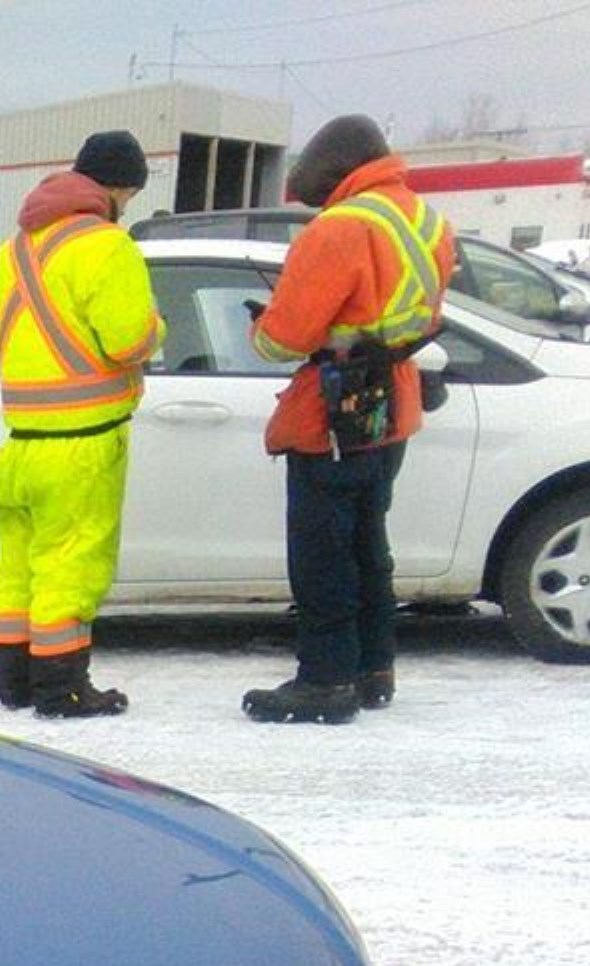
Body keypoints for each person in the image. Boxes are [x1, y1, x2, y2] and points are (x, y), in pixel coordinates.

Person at [240, 114, 456, 724]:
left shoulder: (339, 228)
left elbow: (286, 338)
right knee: (367, 544)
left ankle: (325, 682)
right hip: (392, 403)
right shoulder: (426, 220)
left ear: (332, 167)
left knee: (322, 555)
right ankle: (372, 668)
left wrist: (261, 327)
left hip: (335, 411)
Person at [0, 130, 163, 717]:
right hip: (82, 443)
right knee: (70, 564)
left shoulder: (14, 251)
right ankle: (61, 688)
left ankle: (15, 680)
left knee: (18, 567)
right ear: (117, 188)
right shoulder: (107, 246)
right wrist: (158, 330)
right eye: (130, 195)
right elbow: (129, 339)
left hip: (19, 445)